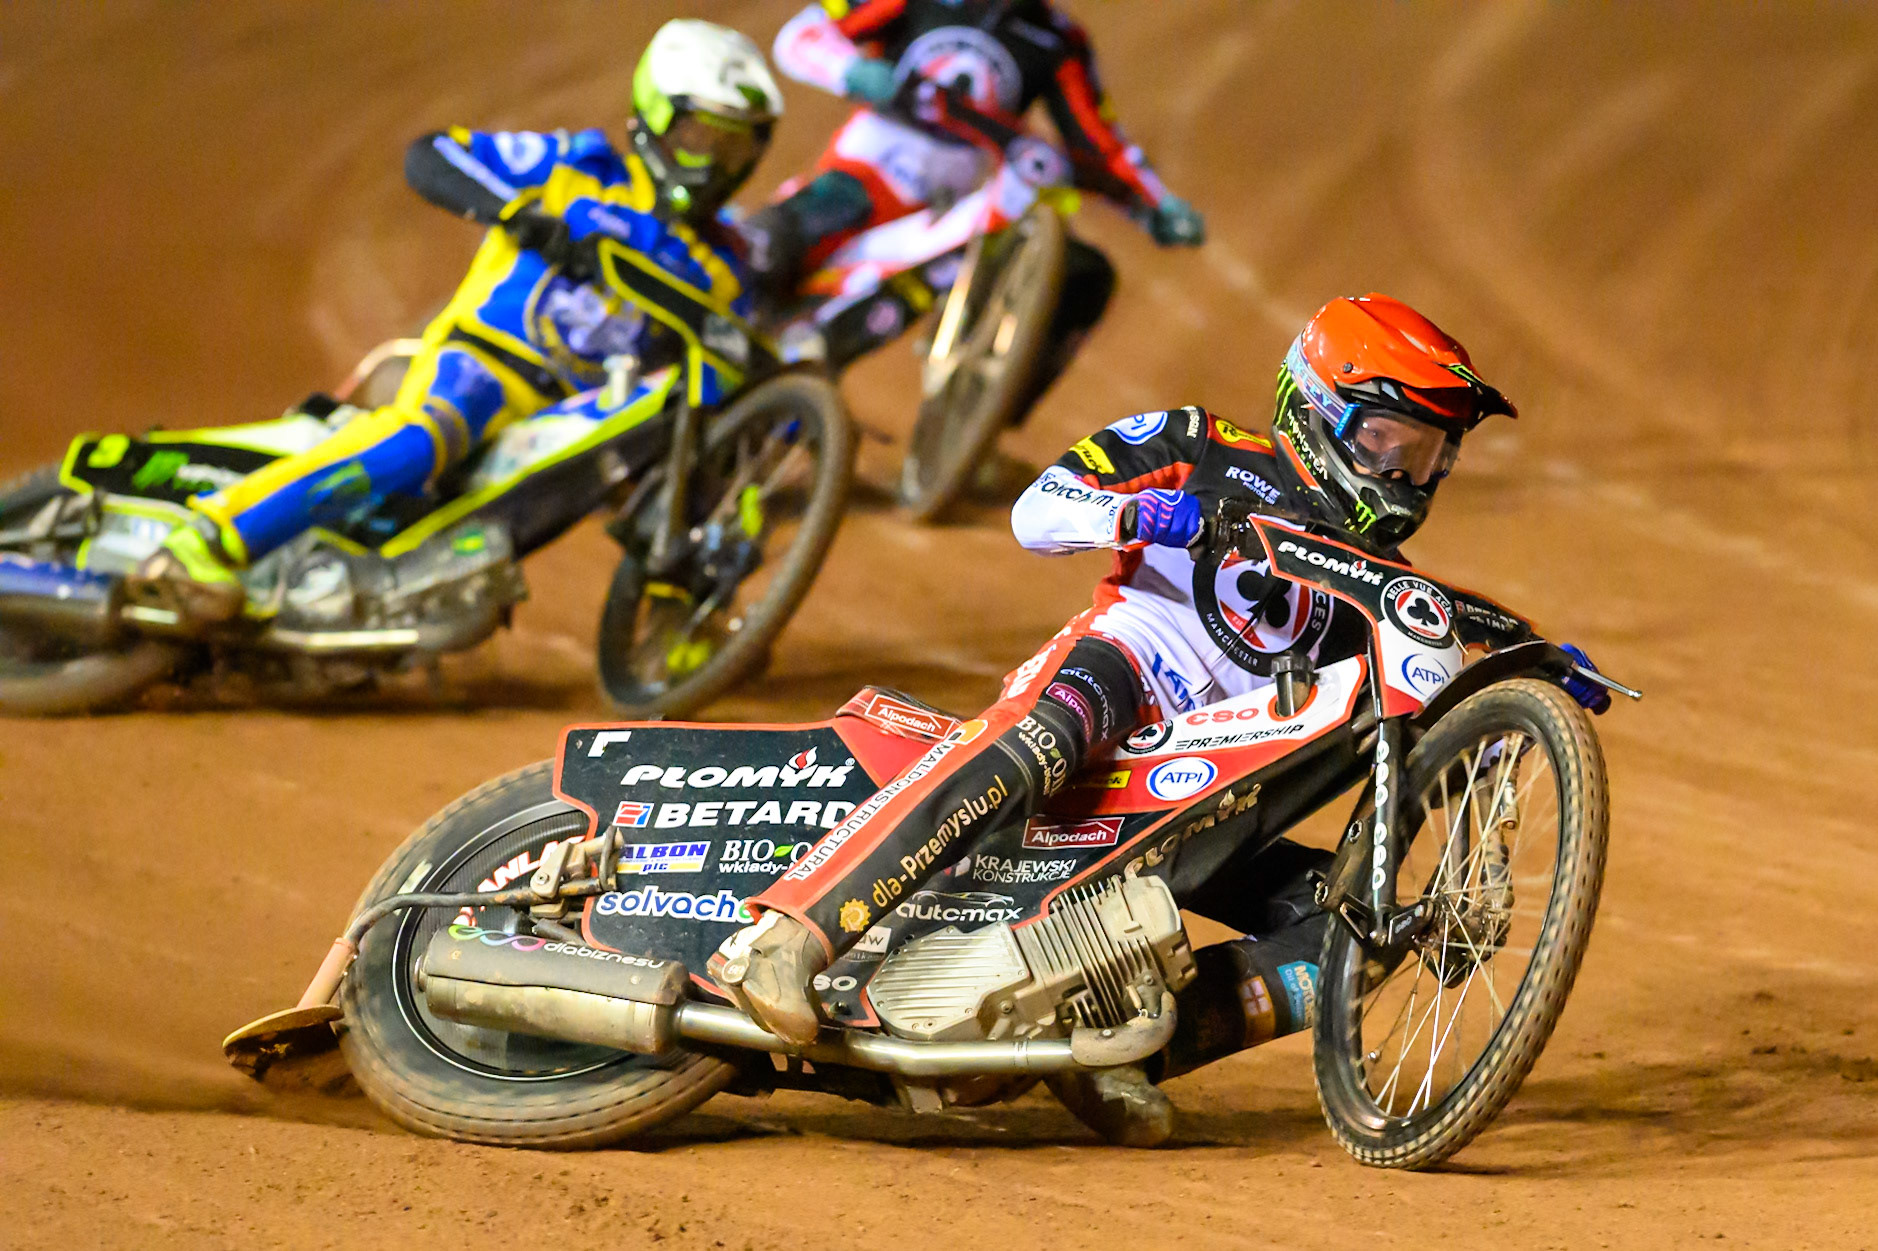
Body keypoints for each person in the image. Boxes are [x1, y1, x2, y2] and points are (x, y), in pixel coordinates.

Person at [710, 293, 1613, 1145]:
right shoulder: (1203, 444)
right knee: (1043, 738)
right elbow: (1037, 511)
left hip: (1210, 787)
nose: (1405, 477)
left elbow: (1434, 699)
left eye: (1429, 456)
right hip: (1125, 670)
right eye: (1387, 442)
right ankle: (789, 933)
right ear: (1317, 410)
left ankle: (1131, 1053)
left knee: (1362, 928)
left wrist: (1525, 678)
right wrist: (1148, 511)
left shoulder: (1386, 590)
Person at [130, 20, 784, 624]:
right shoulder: (578, 167)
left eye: (735, 149)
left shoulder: (725, 266)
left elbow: (726, 388)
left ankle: (681, 614)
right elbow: (432, 155)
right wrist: (519, 215)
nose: (715, 163)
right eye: (703, 137)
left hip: (567, 421)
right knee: (429, 435)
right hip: (483, 361)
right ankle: (206, 541)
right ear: (658, 116)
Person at [739, 0, 1204, 373]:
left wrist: (1157, 204)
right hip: (870, 163)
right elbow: (802, 35)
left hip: (954, 202)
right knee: (779, 242)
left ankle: (953, 421)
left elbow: (1098, 145)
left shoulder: (1057, 42)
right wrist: (847, 70)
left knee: (1043, 275)